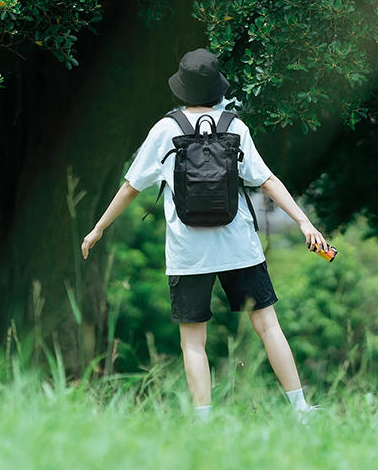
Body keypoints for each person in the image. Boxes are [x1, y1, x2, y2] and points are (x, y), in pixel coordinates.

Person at [81, 48, 329, 424]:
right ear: (216, 88)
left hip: (188, 252)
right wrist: (304, 222)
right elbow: (266, 180)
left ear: (182, 88)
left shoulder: (165, 130)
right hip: (238, 246)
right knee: (267, 325)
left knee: (193, 341)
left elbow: (131, 187)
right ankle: (300, 410)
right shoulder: (235, 127)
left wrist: (98, 228)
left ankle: (203, 421)